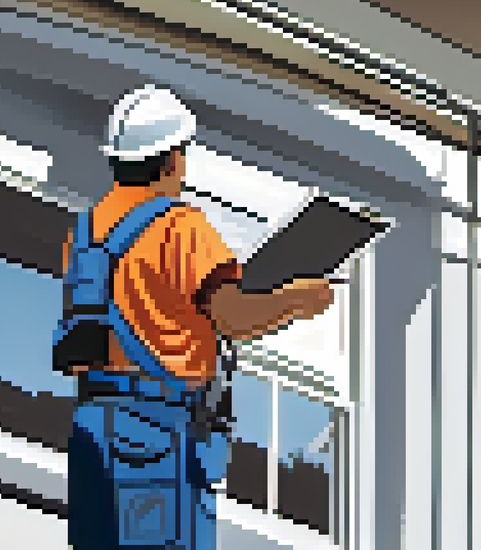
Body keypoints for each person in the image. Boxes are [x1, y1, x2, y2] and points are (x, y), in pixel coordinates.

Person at [56, 85, 335, 549]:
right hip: (157, 434)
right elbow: (233, 317)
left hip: (94, 430)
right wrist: (295, 299)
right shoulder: (181, 228)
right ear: (169, 161)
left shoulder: (84, 234)